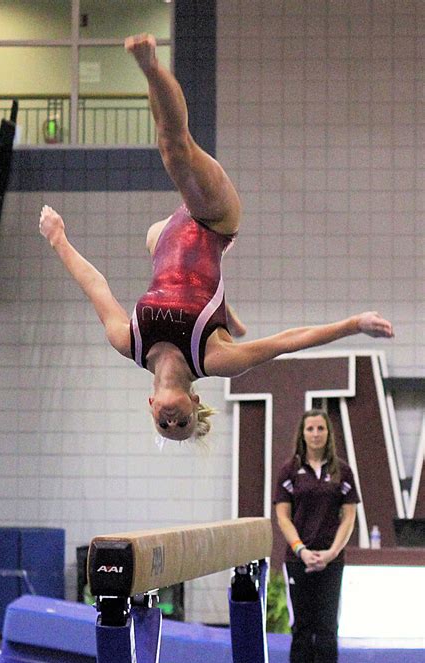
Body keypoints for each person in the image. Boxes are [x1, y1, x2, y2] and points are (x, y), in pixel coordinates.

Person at [38, 33, 394, 444]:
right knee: (175, 150)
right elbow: (286, 343)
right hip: (213, 221)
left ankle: (227, 308)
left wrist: (59, 239)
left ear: (150, 406)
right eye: (182, 424)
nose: (172, 420)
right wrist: (354, 324)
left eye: (164, 424)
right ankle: (152, 67)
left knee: (156, 231)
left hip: (165, 237)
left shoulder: (128, 341)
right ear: (194, 400)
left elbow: (95, 285)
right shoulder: (215, 359)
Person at [273, 409, 360, 663]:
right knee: (302, 623)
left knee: (327, 624)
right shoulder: (290, 471)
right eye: (310, 429)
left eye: (320, 428)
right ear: (302, 433)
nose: (315, 434)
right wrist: (300, 550)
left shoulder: (341, 472)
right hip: (298, 559)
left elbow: (348, 517)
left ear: (328, 433)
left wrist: (333, 552)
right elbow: (283, 516)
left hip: (331, 559)